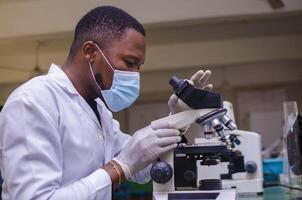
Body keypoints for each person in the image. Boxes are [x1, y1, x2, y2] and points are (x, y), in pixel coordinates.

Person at [0, 6, 212, 200]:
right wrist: (118, 168)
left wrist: (177, 120)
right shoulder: (33, 101)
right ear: (90, 52)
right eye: (129, 63)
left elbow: (140, 168)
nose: (134, 75)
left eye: (138, 67)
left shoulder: (98, 109)